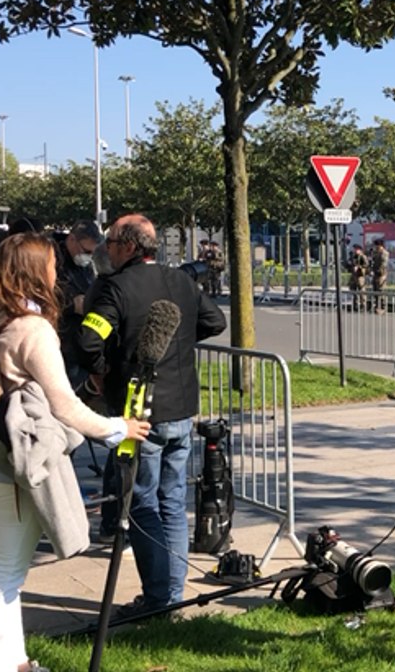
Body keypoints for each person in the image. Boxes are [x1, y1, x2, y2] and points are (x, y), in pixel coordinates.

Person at [0, 232, 150, 672]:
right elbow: (64, 404)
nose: (57, 270)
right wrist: (117, 428)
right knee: (5, 571)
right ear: (34, 271)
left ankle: (14, 661)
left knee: (6, 568)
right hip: (19, 457)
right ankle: (2, 665)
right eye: (50, 264)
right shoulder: (33, 329)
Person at [77, 214, 227, 618]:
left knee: (141, 503)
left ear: (128, 246)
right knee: (173, 502)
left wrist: (103, 368)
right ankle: (172, 594)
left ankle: (160, 598)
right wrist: (176, 344)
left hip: (138, 413)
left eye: (110, 241)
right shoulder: (182, 281)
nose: (105, 248)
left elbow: (89, 340)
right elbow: (215, 321)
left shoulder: (114, 288)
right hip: (181, 409)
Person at [52, 220, 103, 386]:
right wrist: (72, 305)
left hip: (80, 339)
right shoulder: (52, 260)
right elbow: (44, 298)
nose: (88, 257)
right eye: (86, 251)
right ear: (72, 240)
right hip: (62, 339)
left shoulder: (84, 265)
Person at [369, 238, 389, 312]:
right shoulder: (376, 253)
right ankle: (377, 306)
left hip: (381, 274)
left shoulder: (384, 253)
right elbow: (373, 262)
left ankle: (383, 307)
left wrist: (378, 271)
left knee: (381, 290)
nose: (376, 247)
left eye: (377, 246)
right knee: (375, 291)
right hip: (375, 274)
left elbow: (383, 264)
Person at [346, 244, 368, 311]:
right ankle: (355, 305)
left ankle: (363, 305)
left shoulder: (363, 256)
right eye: (354, 249)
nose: (355, 250)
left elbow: (366, 265)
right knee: (353, 290)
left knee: (362, 291)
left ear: (359, 250)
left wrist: (359, 267)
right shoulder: (353, 256)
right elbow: (349, 264)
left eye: (356, 249)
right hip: (354, 275)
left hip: (360, 276)